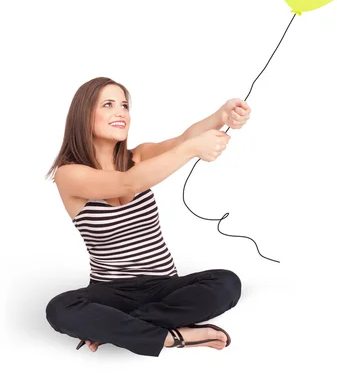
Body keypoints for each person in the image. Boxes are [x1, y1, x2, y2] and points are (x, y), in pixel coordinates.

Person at [44, 76, 251, 357]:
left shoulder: (138, 157)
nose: (121, 112)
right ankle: (170, 336)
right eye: (108, 104)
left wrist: (221, 115)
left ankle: (118, 331)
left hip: (163, 284)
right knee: (59, 309)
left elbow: (181, 140)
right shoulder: (69, 174)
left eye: (125, 105)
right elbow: (128, 183)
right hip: (109, 292)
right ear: (83, 114)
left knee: (227, 282)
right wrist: (191, 150)